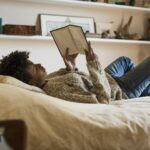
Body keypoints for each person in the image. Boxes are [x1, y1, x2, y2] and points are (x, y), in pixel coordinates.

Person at [0, 43, 149, 104]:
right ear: (30, 82)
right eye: (34, 68)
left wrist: (72, 67)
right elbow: (102, 99)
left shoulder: (48, 79)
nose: (39, 65)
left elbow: (78, 81)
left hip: (106, 79)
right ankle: (141, 91)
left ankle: (145, 89)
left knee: (125, 61)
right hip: (119, 90)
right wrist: (93, 64)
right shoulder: (57, 92)